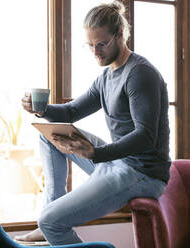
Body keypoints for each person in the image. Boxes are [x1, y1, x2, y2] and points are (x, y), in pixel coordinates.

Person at [16, 0, 171, 245]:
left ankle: (49, 225)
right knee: (49, 135)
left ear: (120, 35)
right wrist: (41, 110)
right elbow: (70, 112)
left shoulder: (140, 74)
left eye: (101, 44)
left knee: (49, 220)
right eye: (90, 45)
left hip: (143, 174)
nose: (95, 52)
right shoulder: (106, 77)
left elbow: (145, 136)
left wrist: (96, 153)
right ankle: (52, 210)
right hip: (117, 162)